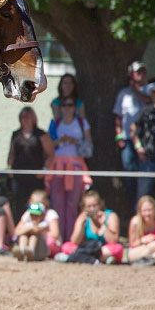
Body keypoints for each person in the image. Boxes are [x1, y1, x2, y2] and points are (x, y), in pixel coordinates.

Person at [46, 95, 92, 244]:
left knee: (73, 204)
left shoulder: (81, 122)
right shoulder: (55, 123)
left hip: (76, 166)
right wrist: (61, 141)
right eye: (64, 104)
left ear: (75, 107)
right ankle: (58, 240)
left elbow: (89, 147)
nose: (67, 107)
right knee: (57, 203)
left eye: (70, 104)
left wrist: (74, 141)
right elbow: (48, 145)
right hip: (58, 166)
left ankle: (72, 241)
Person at [114, 61, 150, 211]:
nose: (140, 75)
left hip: (146, 142)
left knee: (146, 178)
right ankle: (131, 211)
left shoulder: (151, 90)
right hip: (128, 140)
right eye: (137, 72)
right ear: (131, 75)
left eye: (142, 71)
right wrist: (119, 136)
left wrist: (136, 91)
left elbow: (148, 102)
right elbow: (118, 116)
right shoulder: (123, 93)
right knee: (129, 176)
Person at [7, 106, 54, 215]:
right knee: (20, 204)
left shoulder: (41, 135)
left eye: (28, 116)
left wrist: (44, 169)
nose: (25, 119)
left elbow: (50, 155)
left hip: (35, 176)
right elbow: (11, 154)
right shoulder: (16, 134)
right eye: (22, 117)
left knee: (37, 202)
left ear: (33, 118)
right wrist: (9, 168)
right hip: (19, 176)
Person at [55, 190, 123, 264]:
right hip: (88, 248)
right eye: (89, 206)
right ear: (84, 208)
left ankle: (80, 257)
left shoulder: (110, 216)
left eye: (94, 205)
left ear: (100, 204)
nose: (92, 209)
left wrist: (103, 225)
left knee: (118, 249)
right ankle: (99, 259)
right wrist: (81, 224)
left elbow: (113, 241)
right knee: (66, 247)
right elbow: (74, 241)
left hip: (103, 249)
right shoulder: (83, 218)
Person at [130, 80, 155, 205]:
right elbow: (133, 129)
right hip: (148, 160)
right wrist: (138, 147)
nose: (152, 95)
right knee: (144, 196)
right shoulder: (146, 111)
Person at [13, 191, 60, 261]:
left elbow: (55, 234)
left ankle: (31, 251)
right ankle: (22, 251)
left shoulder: (50, 214)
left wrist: (37, 230)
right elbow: (16, 232)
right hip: (30, 242)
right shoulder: (28, 213)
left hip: (45, 245)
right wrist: (30, 228)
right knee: (24, 235)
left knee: (34, 234)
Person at [125, 196, 155, 266]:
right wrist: (143, 240)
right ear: (140, 211)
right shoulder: (135, 222)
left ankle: (150, 259)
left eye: (150, 210)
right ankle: (151, 259)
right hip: (137, 251)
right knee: (154, 245)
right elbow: (132, 244)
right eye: (144, 211)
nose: (147, 214)